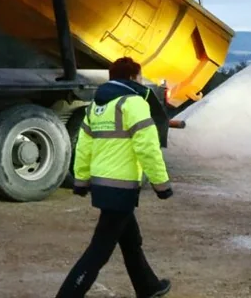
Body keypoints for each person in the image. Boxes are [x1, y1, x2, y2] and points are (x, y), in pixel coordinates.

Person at [55, 57, 173, 298]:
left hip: (102, 185)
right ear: (132, 77)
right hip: (122, 187)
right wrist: (162, 185)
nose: (141, 81)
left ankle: (148, 287)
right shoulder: (135, 103)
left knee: (131, 240)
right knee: (99, 250)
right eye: (139, 77)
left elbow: (84, 146)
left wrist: (81, 180)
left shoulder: (96, 106)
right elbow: (147, 148)